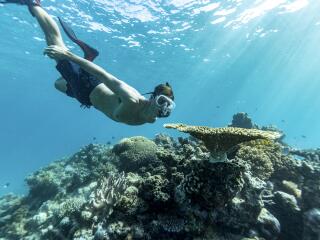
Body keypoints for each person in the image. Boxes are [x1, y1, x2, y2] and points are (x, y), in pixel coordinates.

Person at [1, 0, 176, 125]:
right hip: (89, 84)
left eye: (167, 108)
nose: (162, 110)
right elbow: (104, 76)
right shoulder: (132, 99)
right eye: (162, 102)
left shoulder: (151, 120)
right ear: (152, 98)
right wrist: (68, 55)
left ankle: (88, 58)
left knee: (57, 84)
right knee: (55, 45)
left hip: (86, 98)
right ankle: (34, 4)